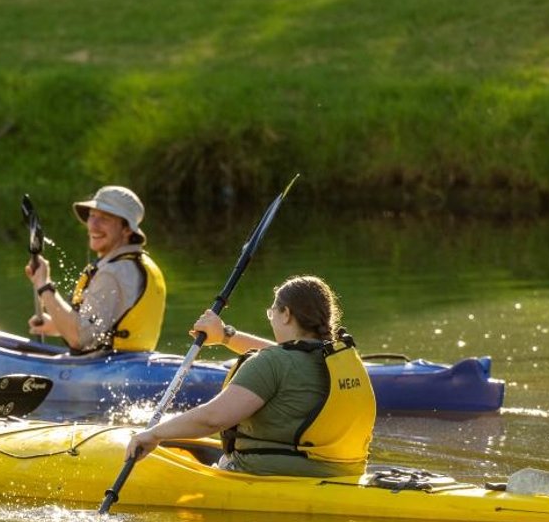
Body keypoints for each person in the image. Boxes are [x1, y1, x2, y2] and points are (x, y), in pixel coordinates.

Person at [126, 275, 376, 478]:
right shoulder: (337, 359)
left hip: (269, 474)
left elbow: (212, 420)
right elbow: (281, 355)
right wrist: (225, 336)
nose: (272, 319)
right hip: (342, 472)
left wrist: (153, 434)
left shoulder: (271, 364)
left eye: (272, 313)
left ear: (286, 314)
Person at [26, 185, 167, 354]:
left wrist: (44, 285)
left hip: (109, 371)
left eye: (105, 218)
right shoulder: (136, 263)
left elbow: (79, 339)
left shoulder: (113, 272)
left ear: (127, 229)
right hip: (129, 365)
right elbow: (98, 330)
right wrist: (57, 325)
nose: (93, 225)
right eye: (92, 216)